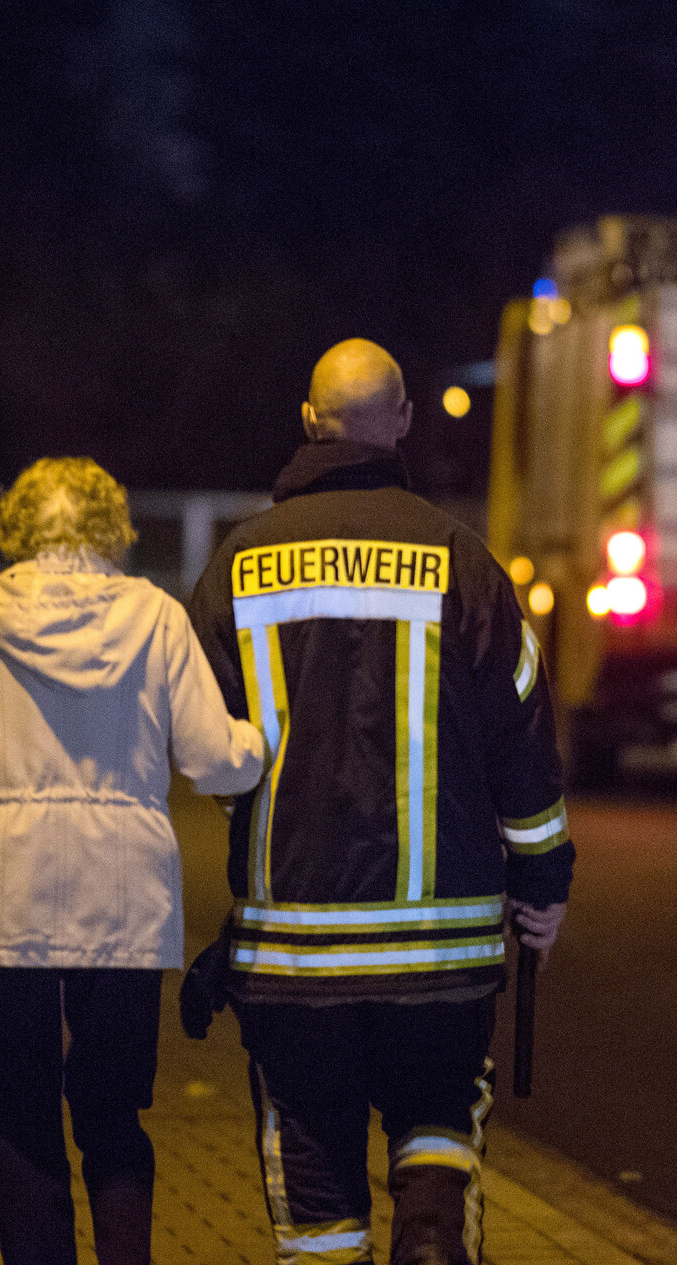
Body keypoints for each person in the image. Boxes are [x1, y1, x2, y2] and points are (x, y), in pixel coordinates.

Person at [186, 338, 574, 1265]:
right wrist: (544, 882)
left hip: (296, 951)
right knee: (436, 1123)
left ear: (309, 421)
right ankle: (433, 1235)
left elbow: (197, 741)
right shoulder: (464, 562)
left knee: (314, 1164)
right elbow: (523, 740)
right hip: (445, 947)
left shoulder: (239, 566)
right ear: (401, 422)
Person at [0, 456, 265, 1265]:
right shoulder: (156, 618)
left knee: (20, 1125)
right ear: (114, 528)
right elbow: (218, 760)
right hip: (125, 898)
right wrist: (264, 738)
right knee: (113, 1116)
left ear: (14, 528)